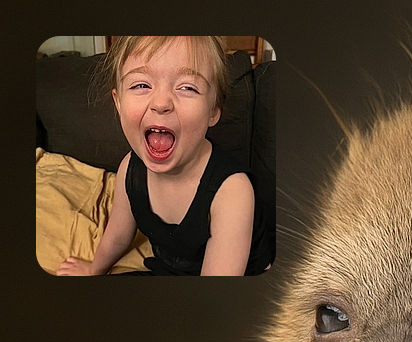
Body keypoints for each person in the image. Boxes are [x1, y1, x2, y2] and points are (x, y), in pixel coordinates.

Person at [57, 36, 270, 276]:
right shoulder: (129, 169)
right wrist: (93, 268)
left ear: (213, 111)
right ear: (118, 103)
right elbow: (118, 235)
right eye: (141, 85)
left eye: (187, 87)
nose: (161, 103)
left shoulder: (232, 192)